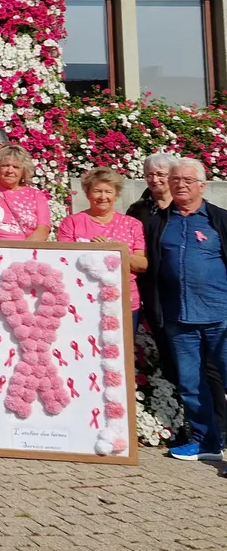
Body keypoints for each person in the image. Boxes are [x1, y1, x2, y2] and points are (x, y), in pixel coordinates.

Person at [144, 158, 227, 461]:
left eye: (187, 180)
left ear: (203, 186)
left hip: (221, 315)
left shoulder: (219, 219)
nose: (179, 184)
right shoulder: (159, 222)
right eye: (175, 179)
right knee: (191, 385)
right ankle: (207, 442)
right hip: (178, 317)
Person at [58, 167, 148, 330]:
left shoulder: (132, 224)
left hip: (123, 300)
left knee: (123, 353)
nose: (103, 197)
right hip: (84, 299)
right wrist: (93, 251)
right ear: (87, 193)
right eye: (97, 191)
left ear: (116, 194)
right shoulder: (71, 222)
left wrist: (118, 251)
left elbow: (142, 265)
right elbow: (63, 262)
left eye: (108, 191)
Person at [0, 145, 51, 241]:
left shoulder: (36, 195)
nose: (10, 171)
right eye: (5, 166)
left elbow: (42, 230)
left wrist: (21, 251)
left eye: (16, 167)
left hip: (26, 250)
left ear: (23, 171)